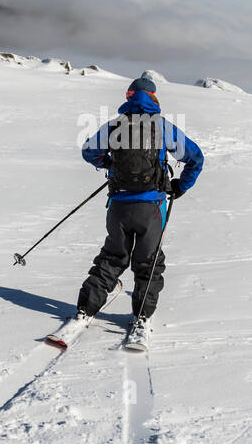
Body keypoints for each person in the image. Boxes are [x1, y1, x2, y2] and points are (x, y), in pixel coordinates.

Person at [76, 75, 204, 345]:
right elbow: (195, 157)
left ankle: (85, 309)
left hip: (119, 206)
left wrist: (110, 164)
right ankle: (142, 318)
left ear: (128, 96)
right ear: (154, 98)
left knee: (112, 257)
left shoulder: (115, 126)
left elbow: (89, 152)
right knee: (149, 263)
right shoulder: (163, 128)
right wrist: (181, 186)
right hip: (152, 207)